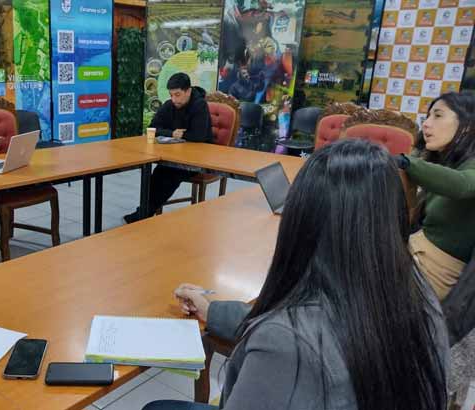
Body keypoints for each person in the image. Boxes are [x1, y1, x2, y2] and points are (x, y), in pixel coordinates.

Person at [146, 139, 448, 410]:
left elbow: (291, 335)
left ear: (301, 220)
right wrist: (213, 312)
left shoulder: (287, 345)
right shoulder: (415, 291)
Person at [394, 92, 475, 300]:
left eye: (437, 116)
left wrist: (408, 163)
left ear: (467, 125)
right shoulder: (441, 157)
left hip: (435, 273)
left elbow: (461, 185)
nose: (427, 124)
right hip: (413, 249)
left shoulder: (468, 166)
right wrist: (418, 150)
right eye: (427, 117)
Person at [124, 73, 213, 223]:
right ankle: (143, 212)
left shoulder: (200, 105)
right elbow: (152, 128)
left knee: (169, 175)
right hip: (175, 155)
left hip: (198, 158)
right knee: (158, 174)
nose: (174, 99)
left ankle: (144, 214)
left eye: (178, 95)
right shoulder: (169, 105)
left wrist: (179, 135)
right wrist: (172, 133)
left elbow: (198, 136)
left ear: (188, 91)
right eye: (171, 95)